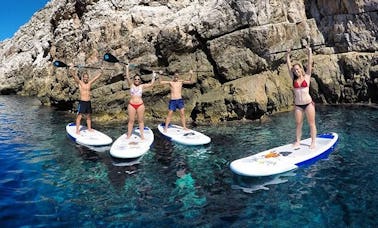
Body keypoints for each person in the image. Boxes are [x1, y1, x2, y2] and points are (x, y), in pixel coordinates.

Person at [286, 46, 317, 149]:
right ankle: (298, 141)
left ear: (301, 69)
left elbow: (309, 64)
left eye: (298, 69)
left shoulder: (307, 76)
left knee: (311, 123)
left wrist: (309, 52)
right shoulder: (293, 79)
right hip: (298, 105)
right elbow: (288, 66)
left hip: (308, 104)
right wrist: (287, 55)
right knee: (298, 123)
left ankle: (313, 142)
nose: (296, 71)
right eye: (294, 70)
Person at [68, 67, 104, 135]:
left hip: (88, 102)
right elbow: (74, 76)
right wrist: (71, 69)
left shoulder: (89, 83)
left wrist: (101, 71)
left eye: (87, 77)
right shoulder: (80, 83)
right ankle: (77, 130)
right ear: (83, 77)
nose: (86, 78)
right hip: (82, 102)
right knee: (79, 116)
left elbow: (96, 78)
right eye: (85, 77)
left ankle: (89, 128)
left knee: (88, 116)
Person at [124, 64, 156, 139]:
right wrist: (127, 68)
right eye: (135, 79)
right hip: (131, 105)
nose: (137, 80)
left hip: (140, 105)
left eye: (138, 79)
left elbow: (151, 84)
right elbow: (127, 76)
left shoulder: (142, 86)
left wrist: (153, 76)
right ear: (134, 80)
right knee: (131, 121)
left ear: (140, 80)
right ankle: (129, 135)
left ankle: (142, 135)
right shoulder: (131, 85)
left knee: (140, 121)